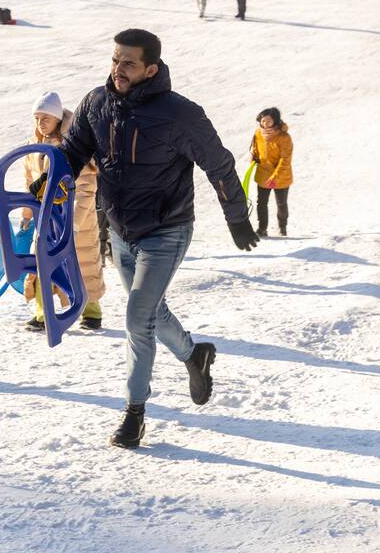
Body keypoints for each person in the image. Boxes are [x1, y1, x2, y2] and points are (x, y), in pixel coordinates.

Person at [44, 28, 258, 449]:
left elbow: (219, 165)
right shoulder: (96, 103)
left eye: (128, 63)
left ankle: (134, 413)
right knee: (151, 311)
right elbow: (73, 151)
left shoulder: (179, 114)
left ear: (151, 69)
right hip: (121, 232)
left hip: (167, 230)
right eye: (114, 60)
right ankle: (194, 354)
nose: (117, 70)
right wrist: (52, 182)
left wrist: (237, 217)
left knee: (137, 318)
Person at [20, 91, 105, 332]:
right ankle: (42, 312)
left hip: (77, 218)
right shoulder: (33, 147)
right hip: (46, 218)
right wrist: (27, 215)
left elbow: (87, 185)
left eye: (45, 118)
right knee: (42, 260)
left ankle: (91, 311)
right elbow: (29, 182)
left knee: (82, 262)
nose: (40, 124)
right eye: (37, 118)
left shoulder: (75, 145)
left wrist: (74, 222)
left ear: (58, 118)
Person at [249, 108, 293, 237]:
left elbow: (285, 160)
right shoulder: (258, 134)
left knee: (281, 203)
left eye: (268, 121)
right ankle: (262, 229)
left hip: (281, 176)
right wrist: (254, 156)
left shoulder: (284, 137)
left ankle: (282, 228)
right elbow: (257, 150)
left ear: (275, 121)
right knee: (261, 203)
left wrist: (275, 177)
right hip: (263, 174)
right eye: (263, 120)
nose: (265, 123)